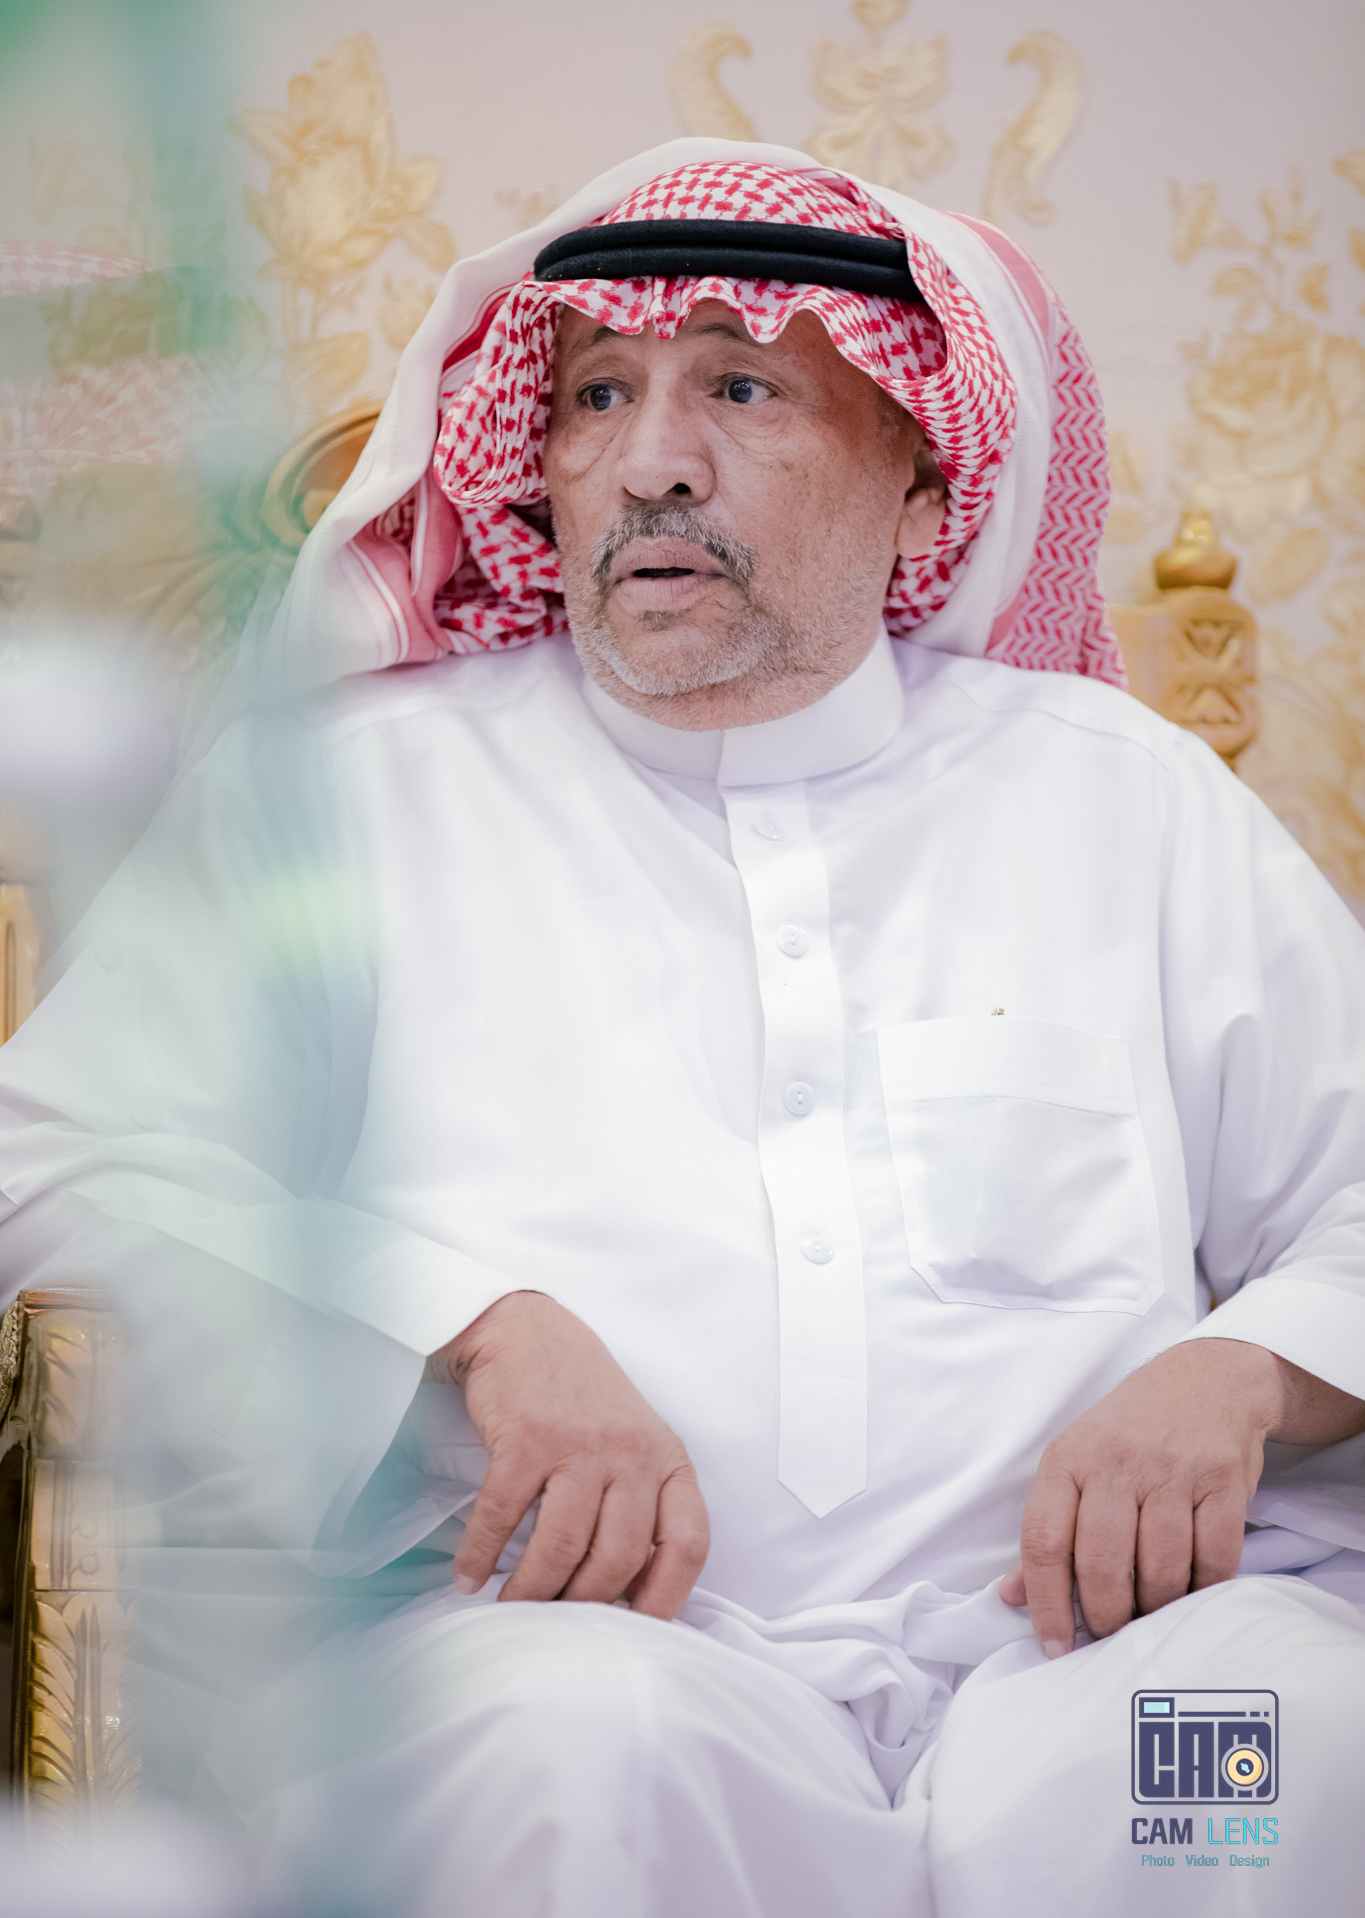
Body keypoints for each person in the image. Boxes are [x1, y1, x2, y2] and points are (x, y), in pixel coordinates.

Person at [1, 142, 1363, 1917]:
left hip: (1100, 1649)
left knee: (1271, 1752)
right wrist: (464, 1323)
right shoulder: (344, 800)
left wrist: (1242, 1374)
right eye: (595, 396)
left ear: (921, 472)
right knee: (564, 1766)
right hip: (567, 1640)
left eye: (739, 388)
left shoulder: (1128, 802)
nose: (650, 461)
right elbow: (48, 1166)